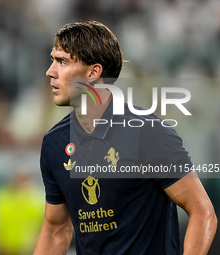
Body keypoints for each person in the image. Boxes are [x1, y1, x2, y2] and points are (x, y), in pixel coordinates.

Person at [33, 21, 217, 255]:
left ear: (93, 72)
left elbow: (202, 212)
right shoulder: (54, 143)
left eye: (62, 61)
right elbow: (55, 230)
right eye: (53, 60)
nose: (50, 71)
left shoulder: (147, 132)